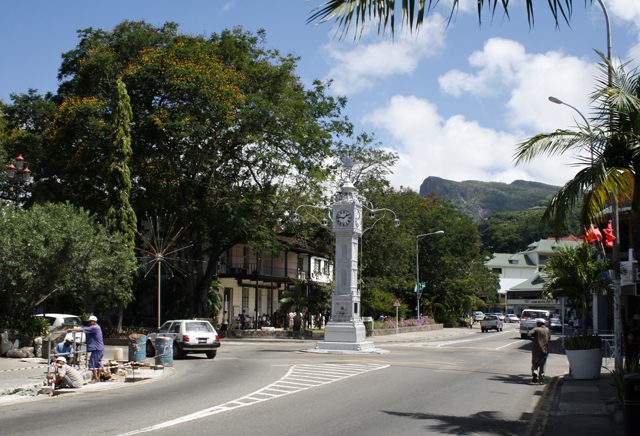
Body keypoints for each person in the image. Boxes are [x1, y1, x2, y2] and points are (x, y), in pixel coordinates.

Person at [69, 315, 104, 383]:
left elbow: (82, 330)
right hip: (100, 348)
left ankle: (96, 378)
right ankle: (98, 377)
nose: (89, 323)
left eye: (90, 322)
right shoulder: (97, 327)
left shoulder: (94, 327)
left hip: (96, 348)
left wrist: (72, 330)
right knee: (98, 363)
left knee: (93, 363)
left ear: (94, 322)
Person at [528, 318, 550, 384]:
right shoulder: (547, 330)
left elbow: (528, 335)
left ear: (540, 323)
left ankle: (535, 372)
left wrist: (534, 340)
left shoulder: (536, 329)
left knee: (535, 364)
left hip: (536, 350)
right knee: (542, 365)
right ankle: (541, 378)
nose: (536, 324)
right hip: (544, 351)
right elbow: (549, 338)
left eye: (537, 322)